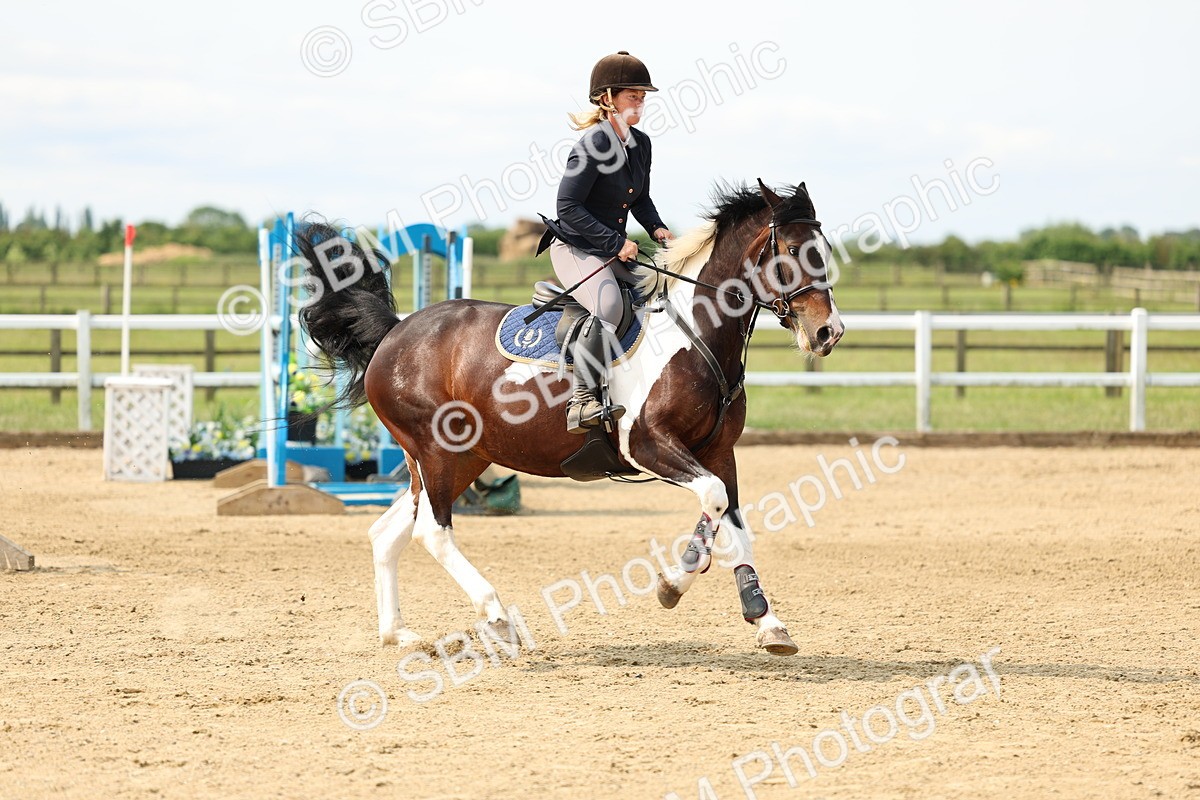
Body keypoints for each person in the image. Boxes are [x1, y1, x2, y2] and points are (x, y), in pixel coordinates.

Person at [537, 51, 675, 434]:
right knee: (610, 305)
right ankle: (581, 401)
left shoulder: (641, 144)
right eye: (633, 95)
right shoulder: (590, 145)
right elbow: (567, 207)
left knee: (660, 293)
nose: (641, 102)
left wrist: (657, 228)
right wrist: (616, 243)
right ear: (607, 98)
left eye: (643, 96)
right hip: (576, 247)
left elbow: (640, 198)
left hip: (611, 248)